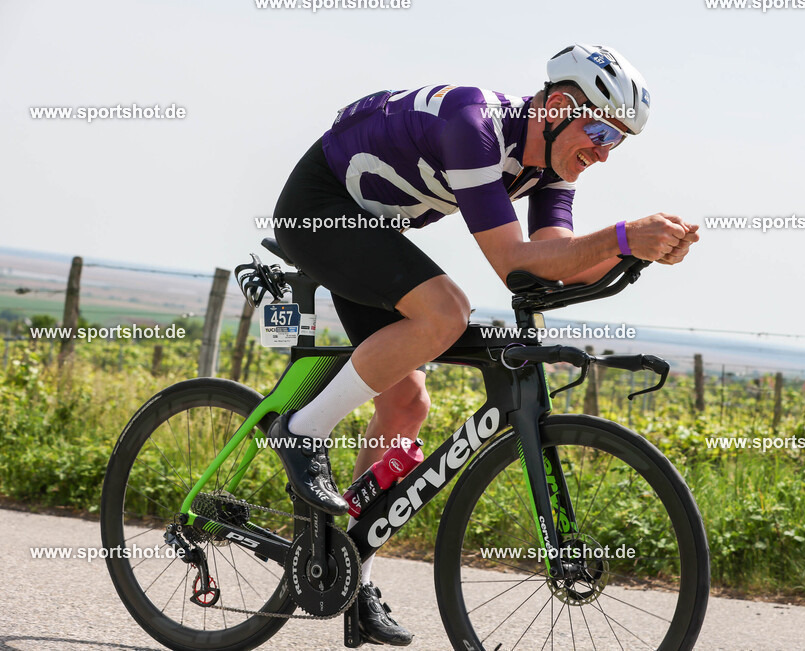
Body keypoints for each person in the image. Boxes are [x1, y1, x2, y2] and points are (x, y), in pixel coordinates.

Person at [268, 43, 699, 645]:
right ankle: (301, 429)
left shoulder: (551, 170)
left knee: (407, 404)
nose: (604, 151)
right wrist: (623, 234)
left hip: (373, 228)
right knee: (446, 312)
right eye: (600, 128)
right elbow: (513, 261)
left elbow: (553, 266)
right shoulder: (474, 125)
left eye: (617, 140)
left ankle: (351, 574)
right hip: (321, 209)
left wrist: (634, 252)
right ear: (554, 107)